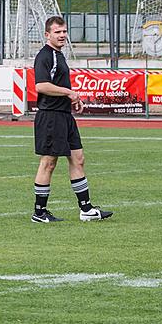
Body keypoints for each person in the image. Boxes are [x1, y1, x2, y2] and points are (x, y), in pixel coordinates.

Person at [31, 16, 113, 223]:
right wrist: (69, 92)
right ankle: (39, 212)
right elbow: (41, 85)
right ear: (47, 35)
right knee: (48, 162)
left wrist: (71, 99)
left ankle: (86, 209)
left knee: (78, 159)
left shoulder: (60, 55)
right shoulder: (45, 56)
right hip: (50, 117)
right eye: (57, 32)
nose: (62, 35)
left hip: (64, 116)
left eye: (64, 31)